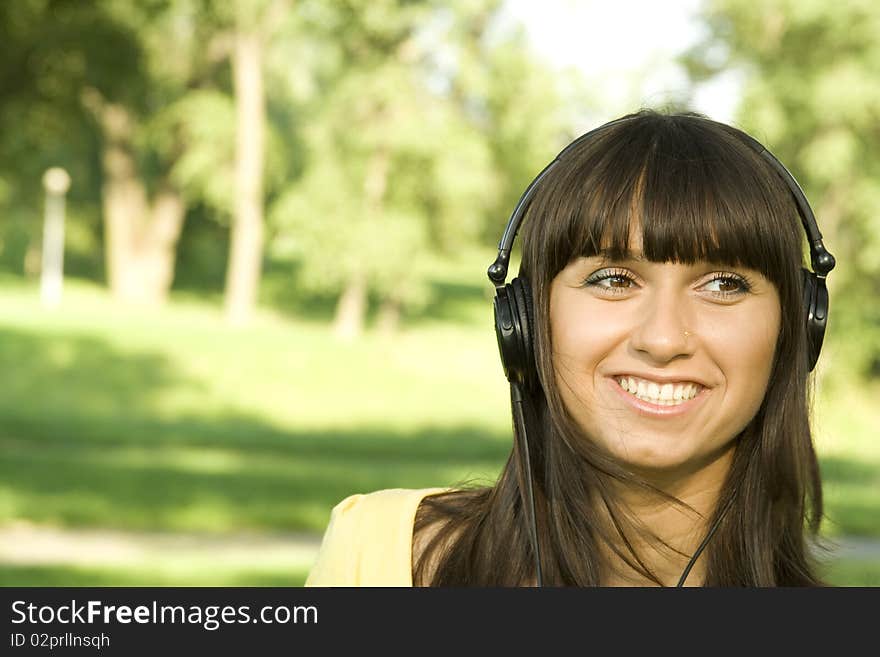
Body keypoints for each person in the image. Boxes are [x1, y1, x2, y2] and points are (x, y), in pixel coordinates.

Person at [305, 108, 834, 587]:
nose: (663, 339)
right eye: (612, 279)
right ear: (528, 322)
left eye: (723, 284)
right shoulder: (381, 558)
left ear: (796, 330)